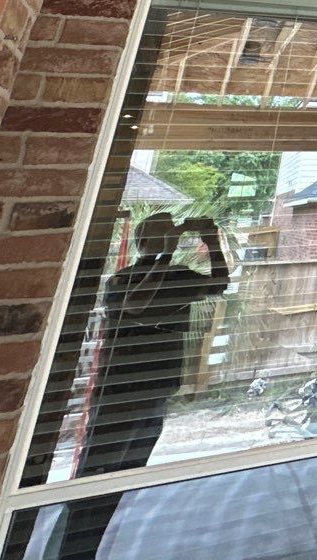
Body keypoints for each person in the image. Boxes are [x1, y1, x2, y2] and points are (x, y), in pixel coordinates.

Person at [56, 213, 231, 557]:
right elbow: (137, 303)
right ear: (147, 241)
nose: (172, 234)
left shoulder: (178, 276)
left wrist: (210, 238)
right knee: (97, 472)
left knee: (128, 472)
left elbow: (220, 282)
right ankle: (73, 548)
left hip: (157, 387)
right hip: (120, 390)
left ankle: (100, 541)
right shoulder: (123, 279)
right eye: (164, 231)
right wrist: (164, 254)